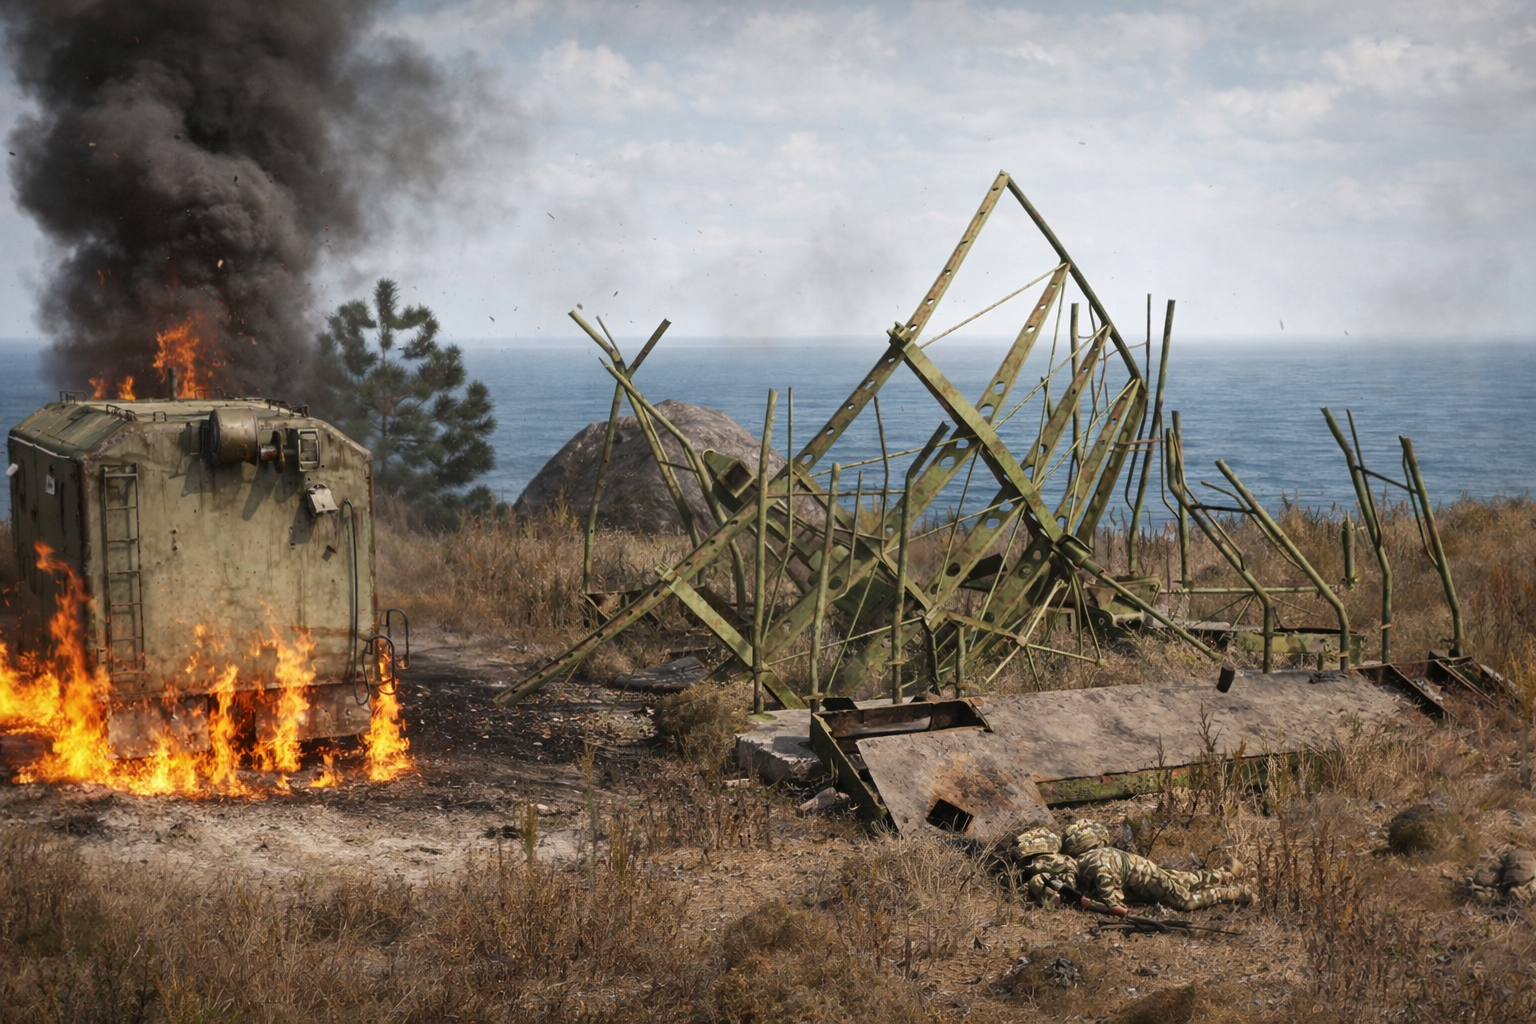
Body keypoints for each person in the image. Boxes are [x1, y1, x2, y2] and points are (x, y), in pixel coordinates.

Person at [1012, 818, 1251, 912]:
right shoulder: (1085, 860)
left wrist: (1111, 904)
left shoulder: (1094, 862)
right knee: (1181, 879)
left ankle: (1231, 893)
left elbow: (1108, 890)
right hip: (1140, 874)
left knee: (1185, 901)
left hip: (1140, 875)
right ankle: (1223, 874)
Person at [1466, 848, 1536, 905]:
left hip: (1510, 875)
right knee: (1529, 890)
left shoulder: (1506, 858)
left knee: (1499, 892)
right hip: (1527, 875)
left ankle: (1485, 894)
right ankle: (1518, 892)